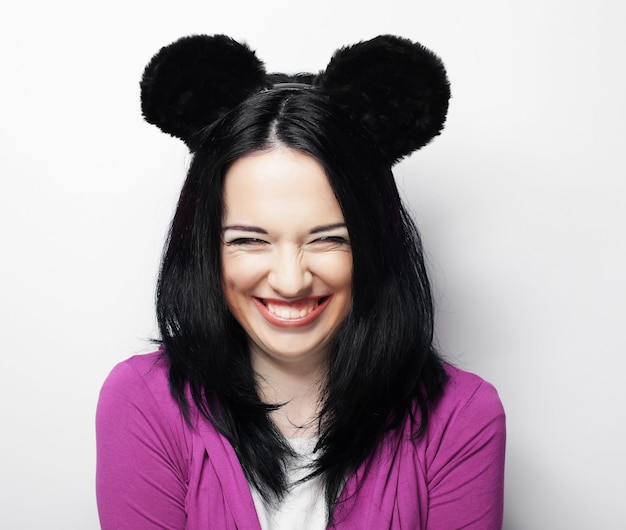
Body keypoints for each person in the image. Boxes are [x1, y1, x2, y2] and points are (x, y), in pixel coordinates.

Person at [96, 34, 506, 529]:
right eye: (250, 240)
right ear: (206, 247)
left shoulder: (462, 418)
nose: (291, 281)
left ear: (374, 242)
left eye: (328, 239)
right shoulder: (143, 401)